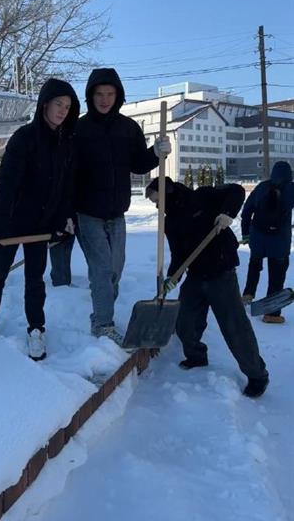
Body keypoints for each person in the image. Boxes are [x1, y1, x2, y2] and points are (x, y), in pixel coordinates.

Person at [0, 78, 79, 360]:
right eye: (58, 104)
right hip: (10, 224)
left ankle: (36, 329)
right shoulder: (23, 138)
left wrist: (62, 222)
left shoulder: (65, 144)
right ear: (45, 104)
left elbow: (65, 189)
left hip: (40, 227)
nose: (63, 111)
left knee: (35, 280)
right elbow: (6, 186)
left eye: (68, 106)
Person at [145, 176, 269, 398]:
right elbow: (179, 254)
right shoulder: (170, 222)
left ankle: (257, 375)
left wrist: (227, 214)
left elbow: (237, 190)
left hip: (221, 273)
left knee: (234, 326)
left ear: (167, 192)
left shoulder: (202, 196)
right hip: (195, 275)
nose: (156, 206)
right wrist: (173, 277)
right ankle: (196, 356)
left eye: (157, 201)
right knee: (184, 321)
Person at [73, 67, 171, 344]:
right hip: (87, 212)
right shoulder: (79, 129)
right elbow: (68, 173)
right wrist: (65, 213)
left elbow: (138, 164)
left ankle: (102, 306)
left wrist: (156, 153)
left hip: (117, 213)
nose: (104, 99)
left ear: (118, 96)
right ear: (90, 96)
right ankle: (102, 323)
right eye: (99, 94)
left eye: (110, 94)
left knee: (115, 269)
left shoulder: (128, 128)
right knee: (102, 270)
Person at [240, 161, 294, 324]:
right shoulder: (291, 189)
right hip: (280, 242)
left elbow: (246, 211)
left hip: (258, 238)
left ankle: (248, 295)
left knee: (254, 265)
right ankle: (272, 313)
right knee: (277, 276)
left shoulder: (261, 187)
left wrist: (246, 233)